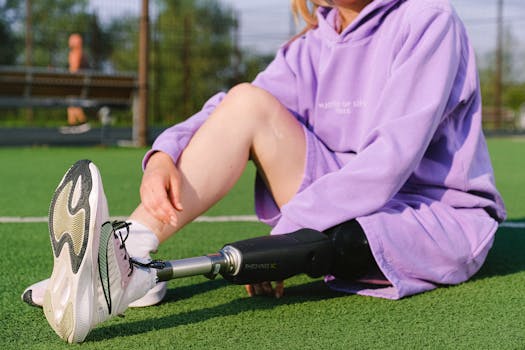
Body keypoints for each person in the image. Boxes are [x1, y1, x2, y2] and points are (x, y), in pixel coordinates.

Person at [24, 0, 506, 343]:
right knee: (248, 102)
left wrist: (290, 235)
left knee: (356, 222)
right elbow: (233, 107)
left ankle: (116, 275)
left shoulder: (428, 20)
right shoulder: (314, 43)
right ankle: (128, 254)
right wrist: (165, 152)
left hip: (428, 215)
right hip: (339, 195)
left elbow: (390, 162)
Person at [59, 33, 91, 134]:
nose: (69, 41)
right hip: (83, 85)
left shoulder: (75, 54)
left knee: (72, 100)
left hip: (77, 84)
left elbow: (74, 71)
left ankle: (82, 122)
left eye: (71, 39)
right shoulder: (83, 54)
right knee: (71, 102)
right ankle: (73, 124)